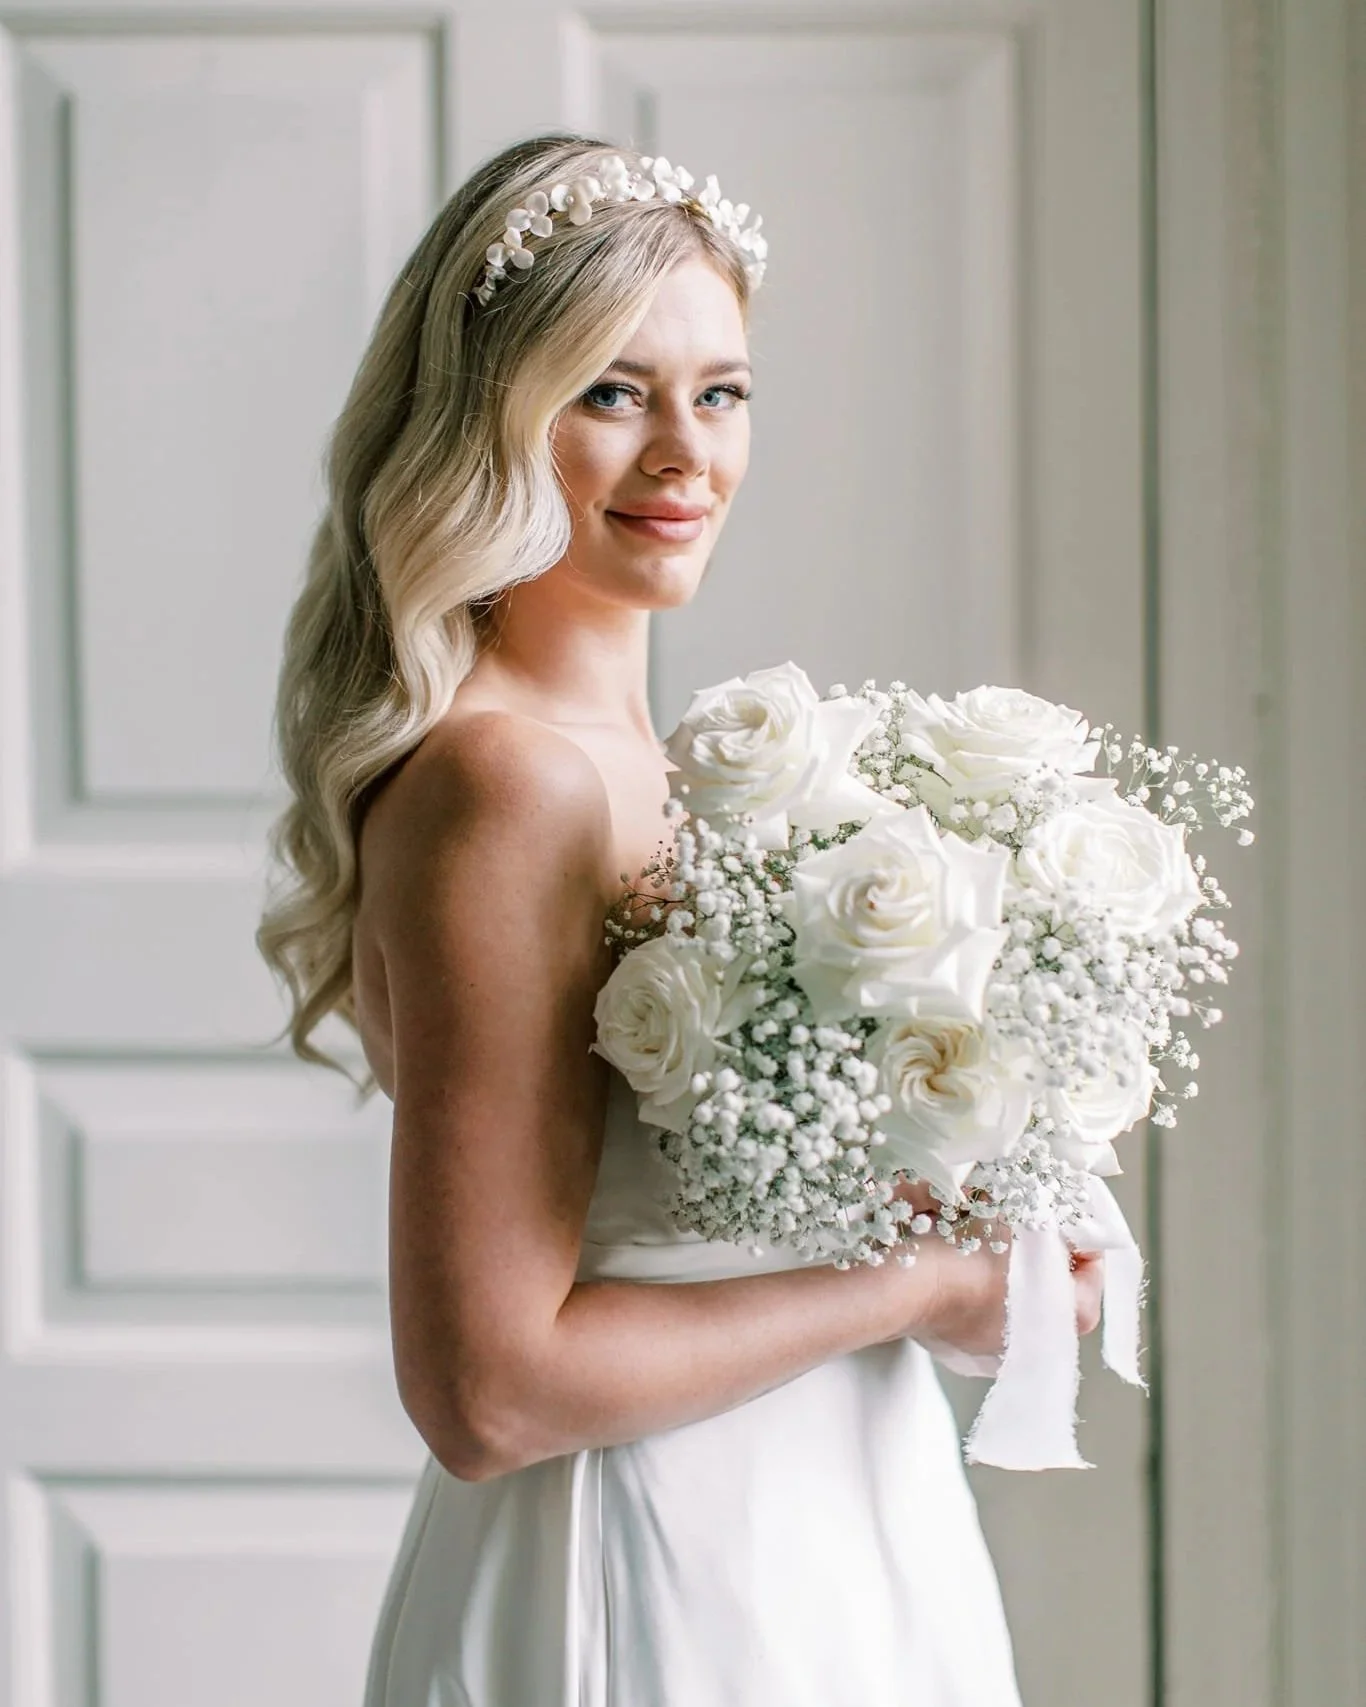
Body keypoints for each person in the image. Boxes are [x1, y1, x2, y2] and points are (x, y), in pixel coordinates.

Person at [257, 132, 1104, 1707]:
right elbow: (490, 1390)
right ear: (485, 423)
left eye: (718, 392)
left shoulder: (692, 779)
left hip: (850, 1542)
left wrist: (999, 1222)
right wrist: (915, 1285)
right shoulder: (507, 784)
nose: (682, 456)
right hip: (650, 1570)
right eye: (609, 391)